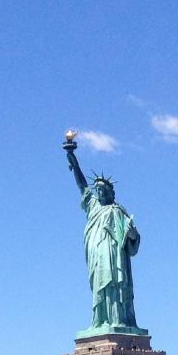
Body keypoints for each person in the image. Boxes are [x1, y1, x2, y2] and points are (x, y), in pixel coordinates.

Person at [64, 136, 141, 333]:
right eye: (97, 190)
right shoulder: (93, 206)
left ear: (110, 192)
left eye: (102, 190)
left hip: (115, 255)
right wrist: (74, 160)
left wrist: (131, 234)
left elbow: (133, 240)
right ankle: (100, 321)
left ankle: (120, 321)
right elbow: (82, 185)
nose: (99, 193)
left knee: (116, 284)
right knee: (100, 285)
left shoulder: (118, 211)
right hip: (97, 253)